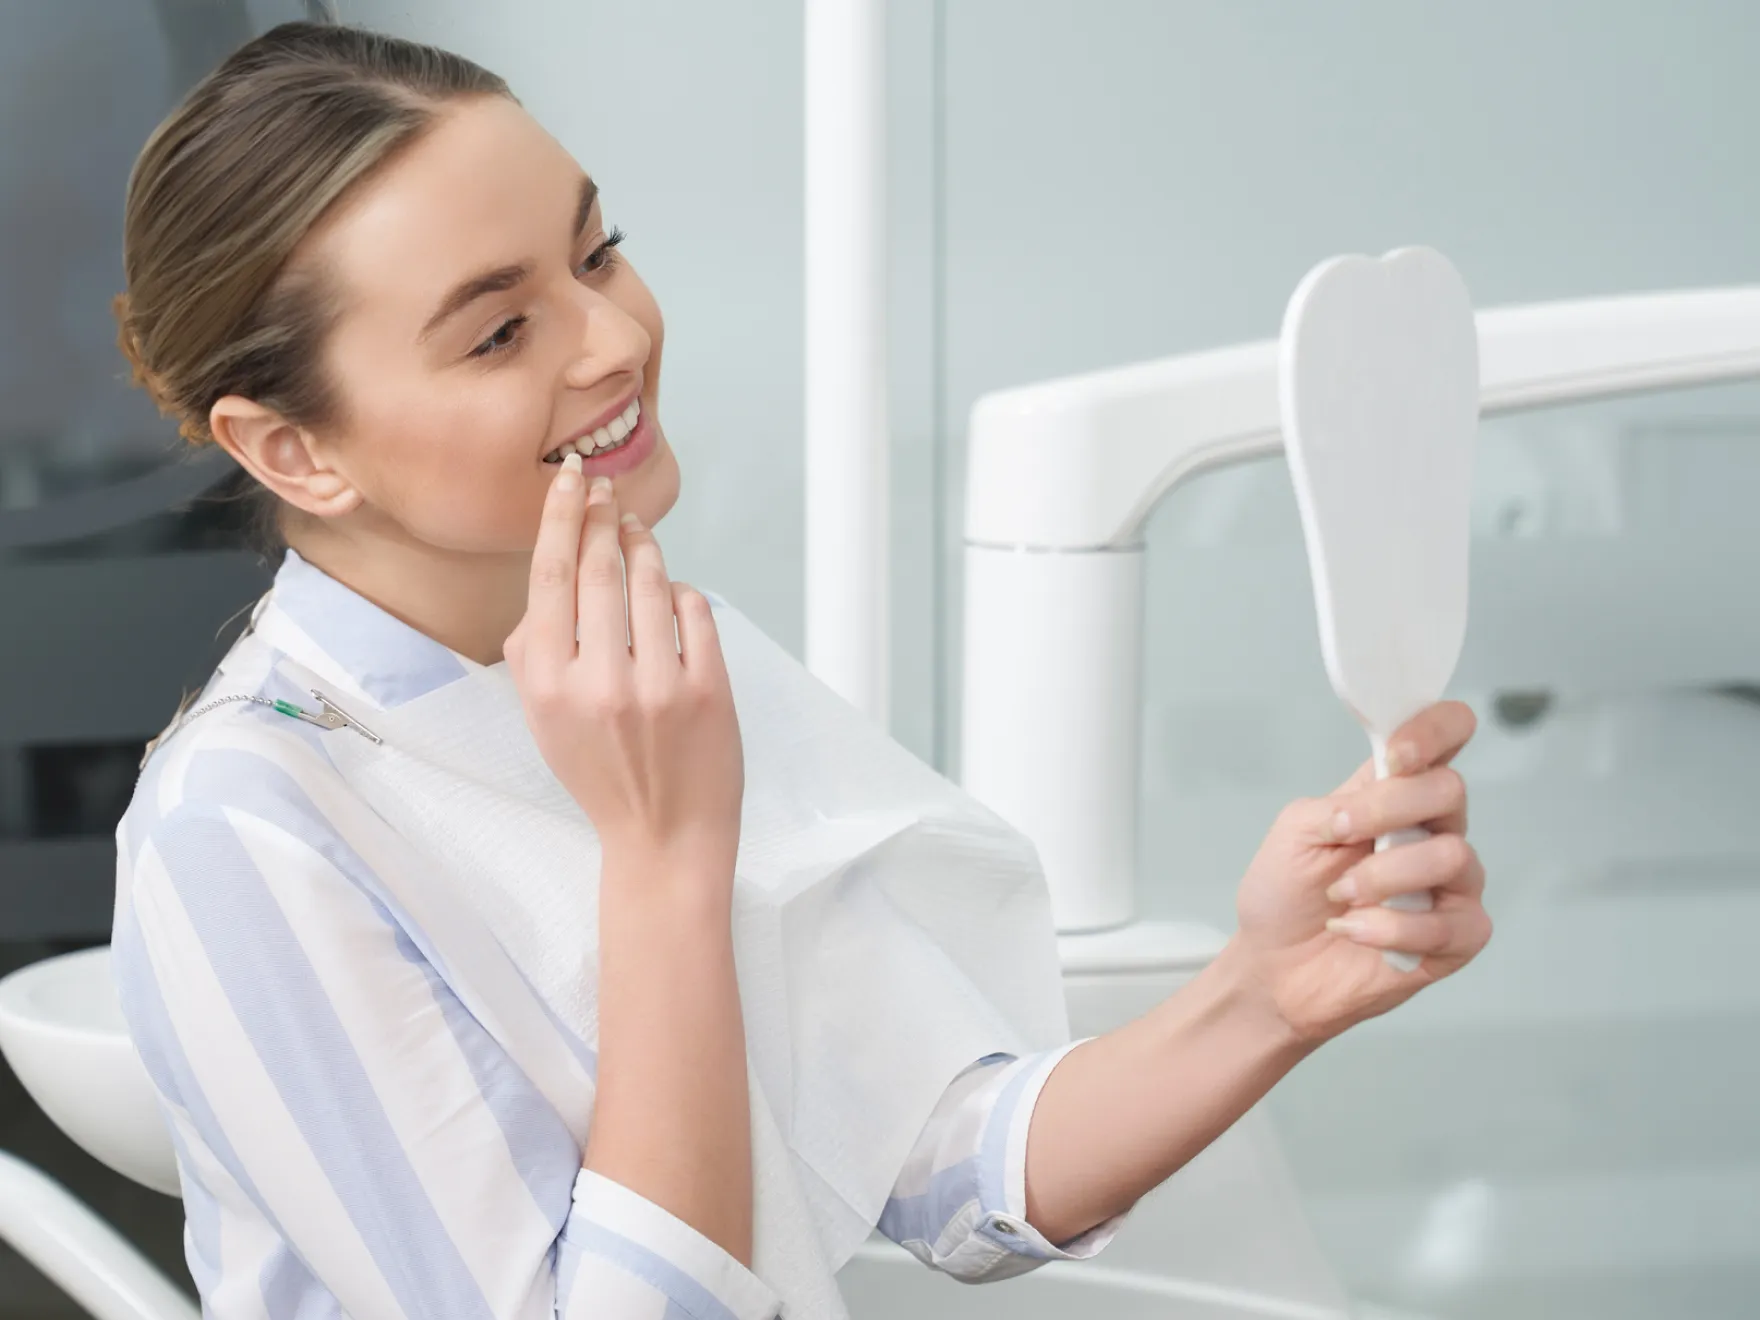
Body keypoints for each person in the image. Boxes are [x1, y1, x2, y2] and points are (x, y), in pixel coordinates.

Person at [110, 22, 1491, 1320]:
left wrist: (1263, 995)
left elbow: (938, 1164)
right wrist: (663, 858)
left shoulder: (647, 663)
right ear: (294, 449)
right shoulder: (247, 826)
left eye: (598, 257)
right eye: (499, 333)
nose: (615, 340)